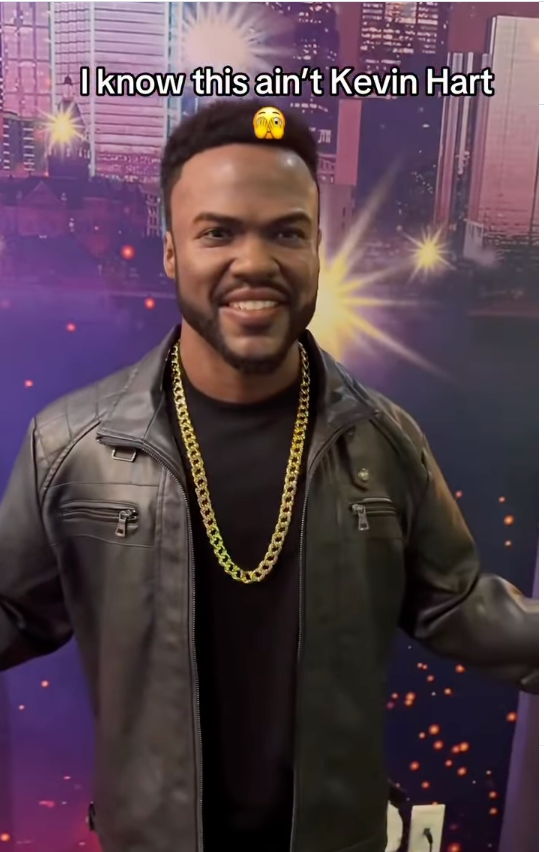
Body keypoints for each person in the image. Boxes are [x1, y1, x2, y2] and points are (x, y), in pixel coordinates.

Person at [0, 100, 538, 852]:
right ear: (171, 251)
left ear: (317, 250)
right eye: (218, 232)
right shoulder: (71, 444)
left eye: (286, 232)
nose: (254, 262)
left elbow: (456, 605)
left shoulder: (383, 441)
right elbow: (14, 611)